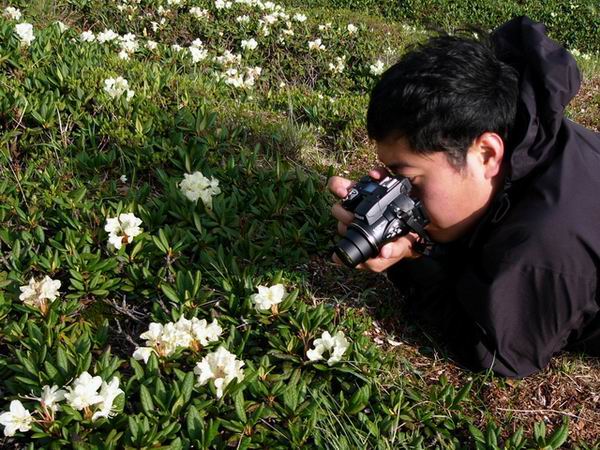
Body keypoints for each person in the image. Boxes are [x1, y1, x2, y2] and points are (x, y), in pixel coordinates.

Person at [328, 16, 600, 378]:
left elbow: (495, 351)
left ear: (486, 154)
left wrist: (411, 260)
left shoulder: (543, 243)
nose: (400, 191)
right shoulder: (527, 130)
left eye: (409, 179)